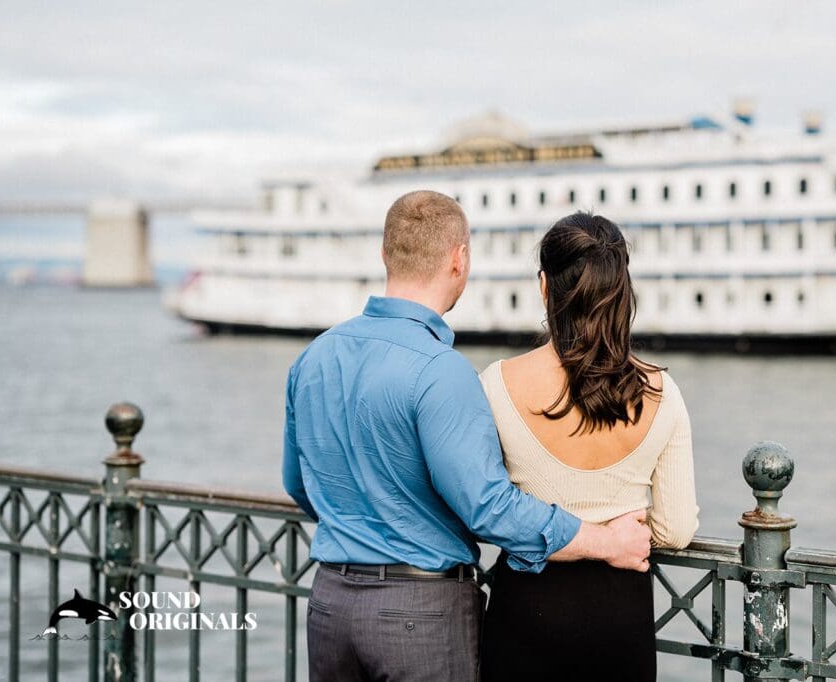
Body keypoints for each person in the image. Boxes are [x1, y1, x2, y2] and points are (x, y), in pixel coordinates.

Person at [282, 191, 653, 682]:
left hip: (329, 604)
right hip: (419, 613)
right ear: (459, 260)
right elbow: (487, 507)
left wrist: (361, 525)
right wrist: (605, 542)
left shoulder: (314, 357)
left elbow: (298, 483)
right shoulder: (441, 371)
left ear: (385, 255)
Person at [478, 211, 701, 682]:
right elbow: (677, 529)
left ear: (544, 287)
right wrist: (614, 535)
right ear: (622, 289)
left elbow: (482, 512)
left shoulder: (496, 384)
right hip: (619, 620)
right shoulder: (662, 392)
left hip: (526, 611)